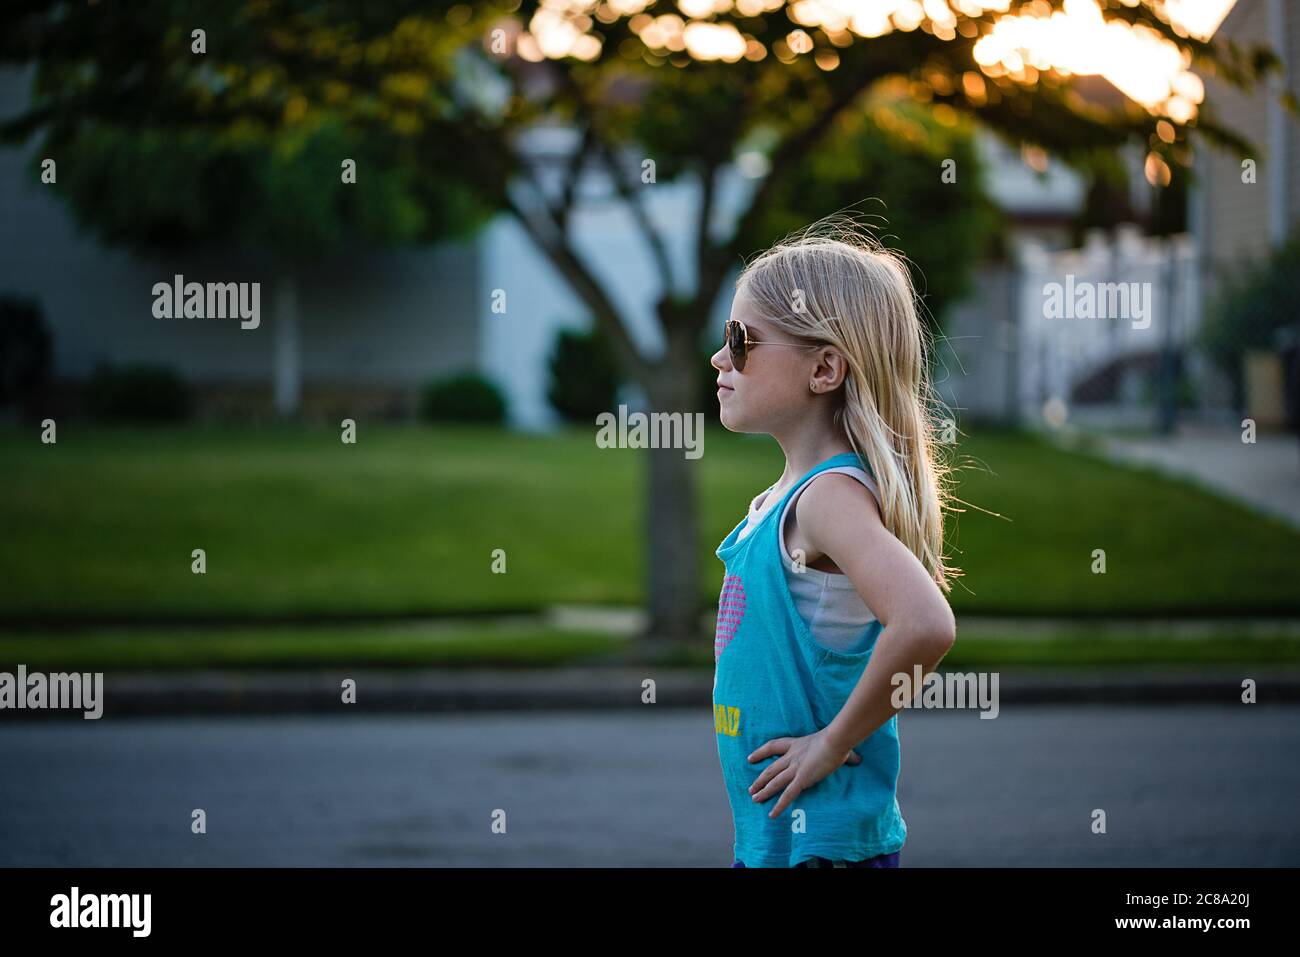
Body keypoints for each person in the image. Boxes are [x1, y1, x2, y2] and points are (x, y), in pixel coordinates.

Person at [710, 215, 960, 868]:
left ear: (824, 368)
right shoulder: (792, 497)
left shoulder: (827, 499)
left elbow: (926, 623)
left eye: (741, 341)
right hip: (782, 840)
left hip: (822, 847)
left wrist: (829, 743)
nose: (719, 358)